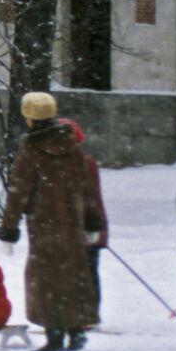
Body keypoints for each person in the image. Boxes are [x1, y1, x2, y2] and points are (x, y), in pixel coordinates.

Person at [0, 92, 104, 351]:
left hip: (43, 226)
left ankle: (55, 336)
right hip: (72, 225)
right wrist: (91, 222)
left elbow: (18, 192)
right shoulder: (72, 147)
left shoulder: (32, 150)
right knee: (72, 278)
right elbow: (86, 188)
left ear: (30, 118)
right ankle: (75, 332)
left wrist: (8, 230)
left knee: (45, 282)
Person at [59, 117, 108, 320]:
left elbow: (90, 197)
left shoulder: (83, 163)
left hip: (88, 226)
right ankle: (79, 312)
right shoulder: (72, 162)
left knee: (86, 272)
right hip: (82, 225)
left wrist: (91, 226)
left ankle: (87, 313)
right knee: (81, 272)